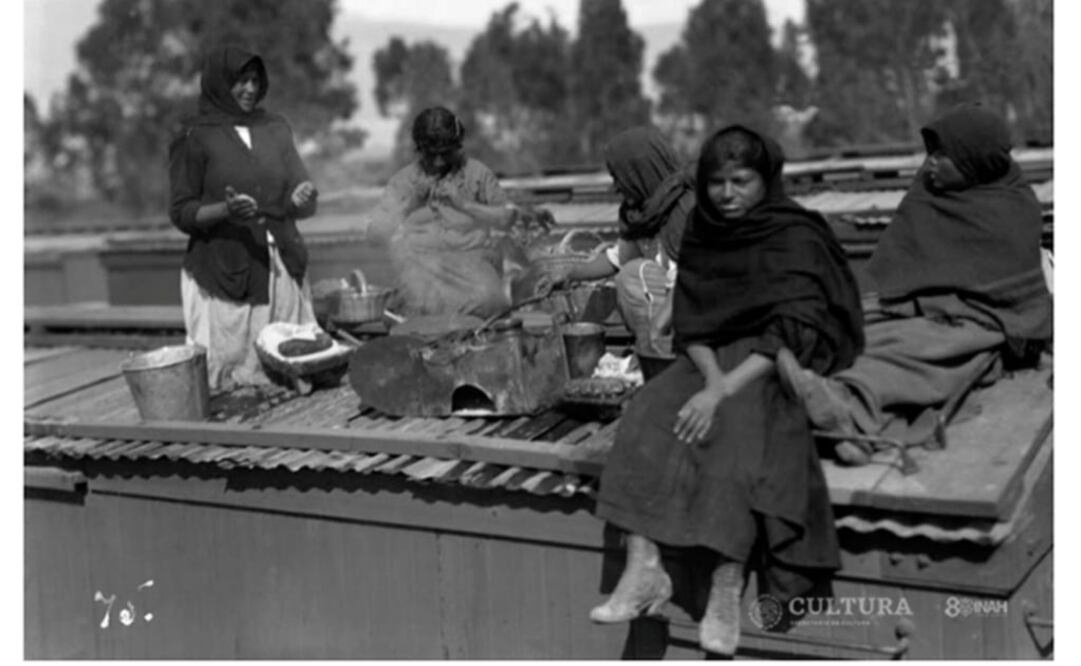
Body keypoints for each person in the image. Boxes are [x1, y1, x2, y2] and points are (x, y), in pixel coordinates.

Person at [590, 126, 865, 655]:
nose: (728, 194)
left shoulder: (792, 234)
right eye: (718, 182)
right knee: (647, 411)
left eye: (742, 182)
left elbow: (795, 329)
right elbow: (692, 315)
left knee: (738, 437)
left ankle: (725, 583)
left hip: (771, 360)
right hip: (713, 357)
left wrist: (719, 392)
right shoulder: (708, 229)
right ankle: (645, 568)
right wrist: (708, 377)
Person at [777, 104, 1053, 465]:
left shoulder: (1013, 210)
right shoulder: (929, 192)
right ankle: (852, 426)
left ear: (974, 163)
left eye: (943, 155)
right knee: (858, 332)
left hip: (981, 322)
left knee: (918, 352)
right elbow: (900, 270)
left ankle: (847, 402)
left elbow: (1013, 301)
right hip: (909, 305)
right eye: (930, 154)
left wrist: (942, 309)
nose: (931, 163)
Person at [169, 46, 319, 390]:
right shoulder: (195, 137)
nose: (250, 89)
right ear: (220, 83)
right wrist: (226, 210)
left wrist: (301, 196)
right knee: (232, 374)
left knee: (287, 358)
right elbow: (181, 212)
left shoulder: (276, 128)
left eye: (255, 80)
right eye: (240, 81)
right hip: (226, 271)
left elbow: (301, 193)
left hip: (281, 264)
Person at [539, 126, 694, 368]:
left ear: (639, 173)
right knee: (630, 271)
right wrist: (567, 273)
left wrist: (650, 338)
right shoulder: (640, 212)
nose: (616, 187)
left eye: (619, 177)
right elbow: (616, 258)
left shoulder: (685, 213)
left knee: (633, 276)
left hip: (691, 307)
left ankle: (663, 357)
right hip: (667, 308)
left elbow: (686, 283)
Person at [366, 107, 518, 319]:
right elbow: (374, 235)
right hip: (420, 268)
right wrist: (409, 204)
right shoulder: (403, 181)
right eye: (431, 154)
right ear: (419, 150)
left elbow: (507, 218)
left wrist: (465, 204)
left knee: (491, 302)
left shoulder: (477, 174)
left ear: (457, 146)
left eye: (445, 154)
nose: (438, 162)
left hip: (472, 264)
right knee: (410, 310)